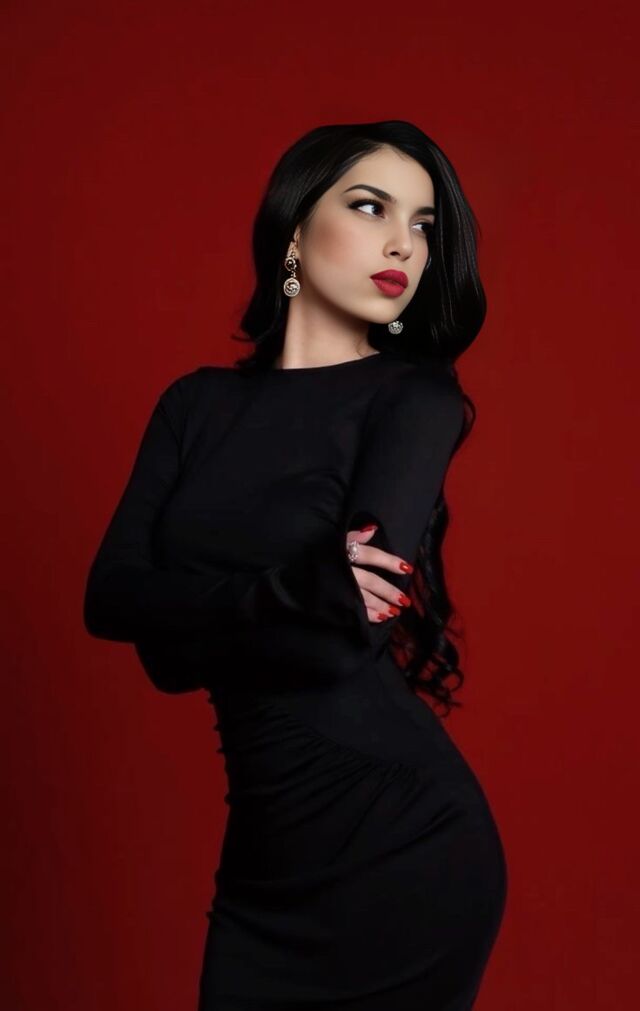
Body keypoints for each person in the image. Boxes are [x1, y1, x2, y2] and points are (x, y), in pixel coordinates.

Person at [83, 120, 508, 1010]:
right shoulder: (195, 405)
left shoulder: (414, 400)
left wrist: (188, 619)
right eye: (371, 207)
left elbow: (334, 640)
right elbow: (110, 597)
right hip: (264, 867)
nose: (404, 243)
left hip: (406, 848)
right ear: (293, 228)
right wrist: (298, 587)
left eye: (424, 224)